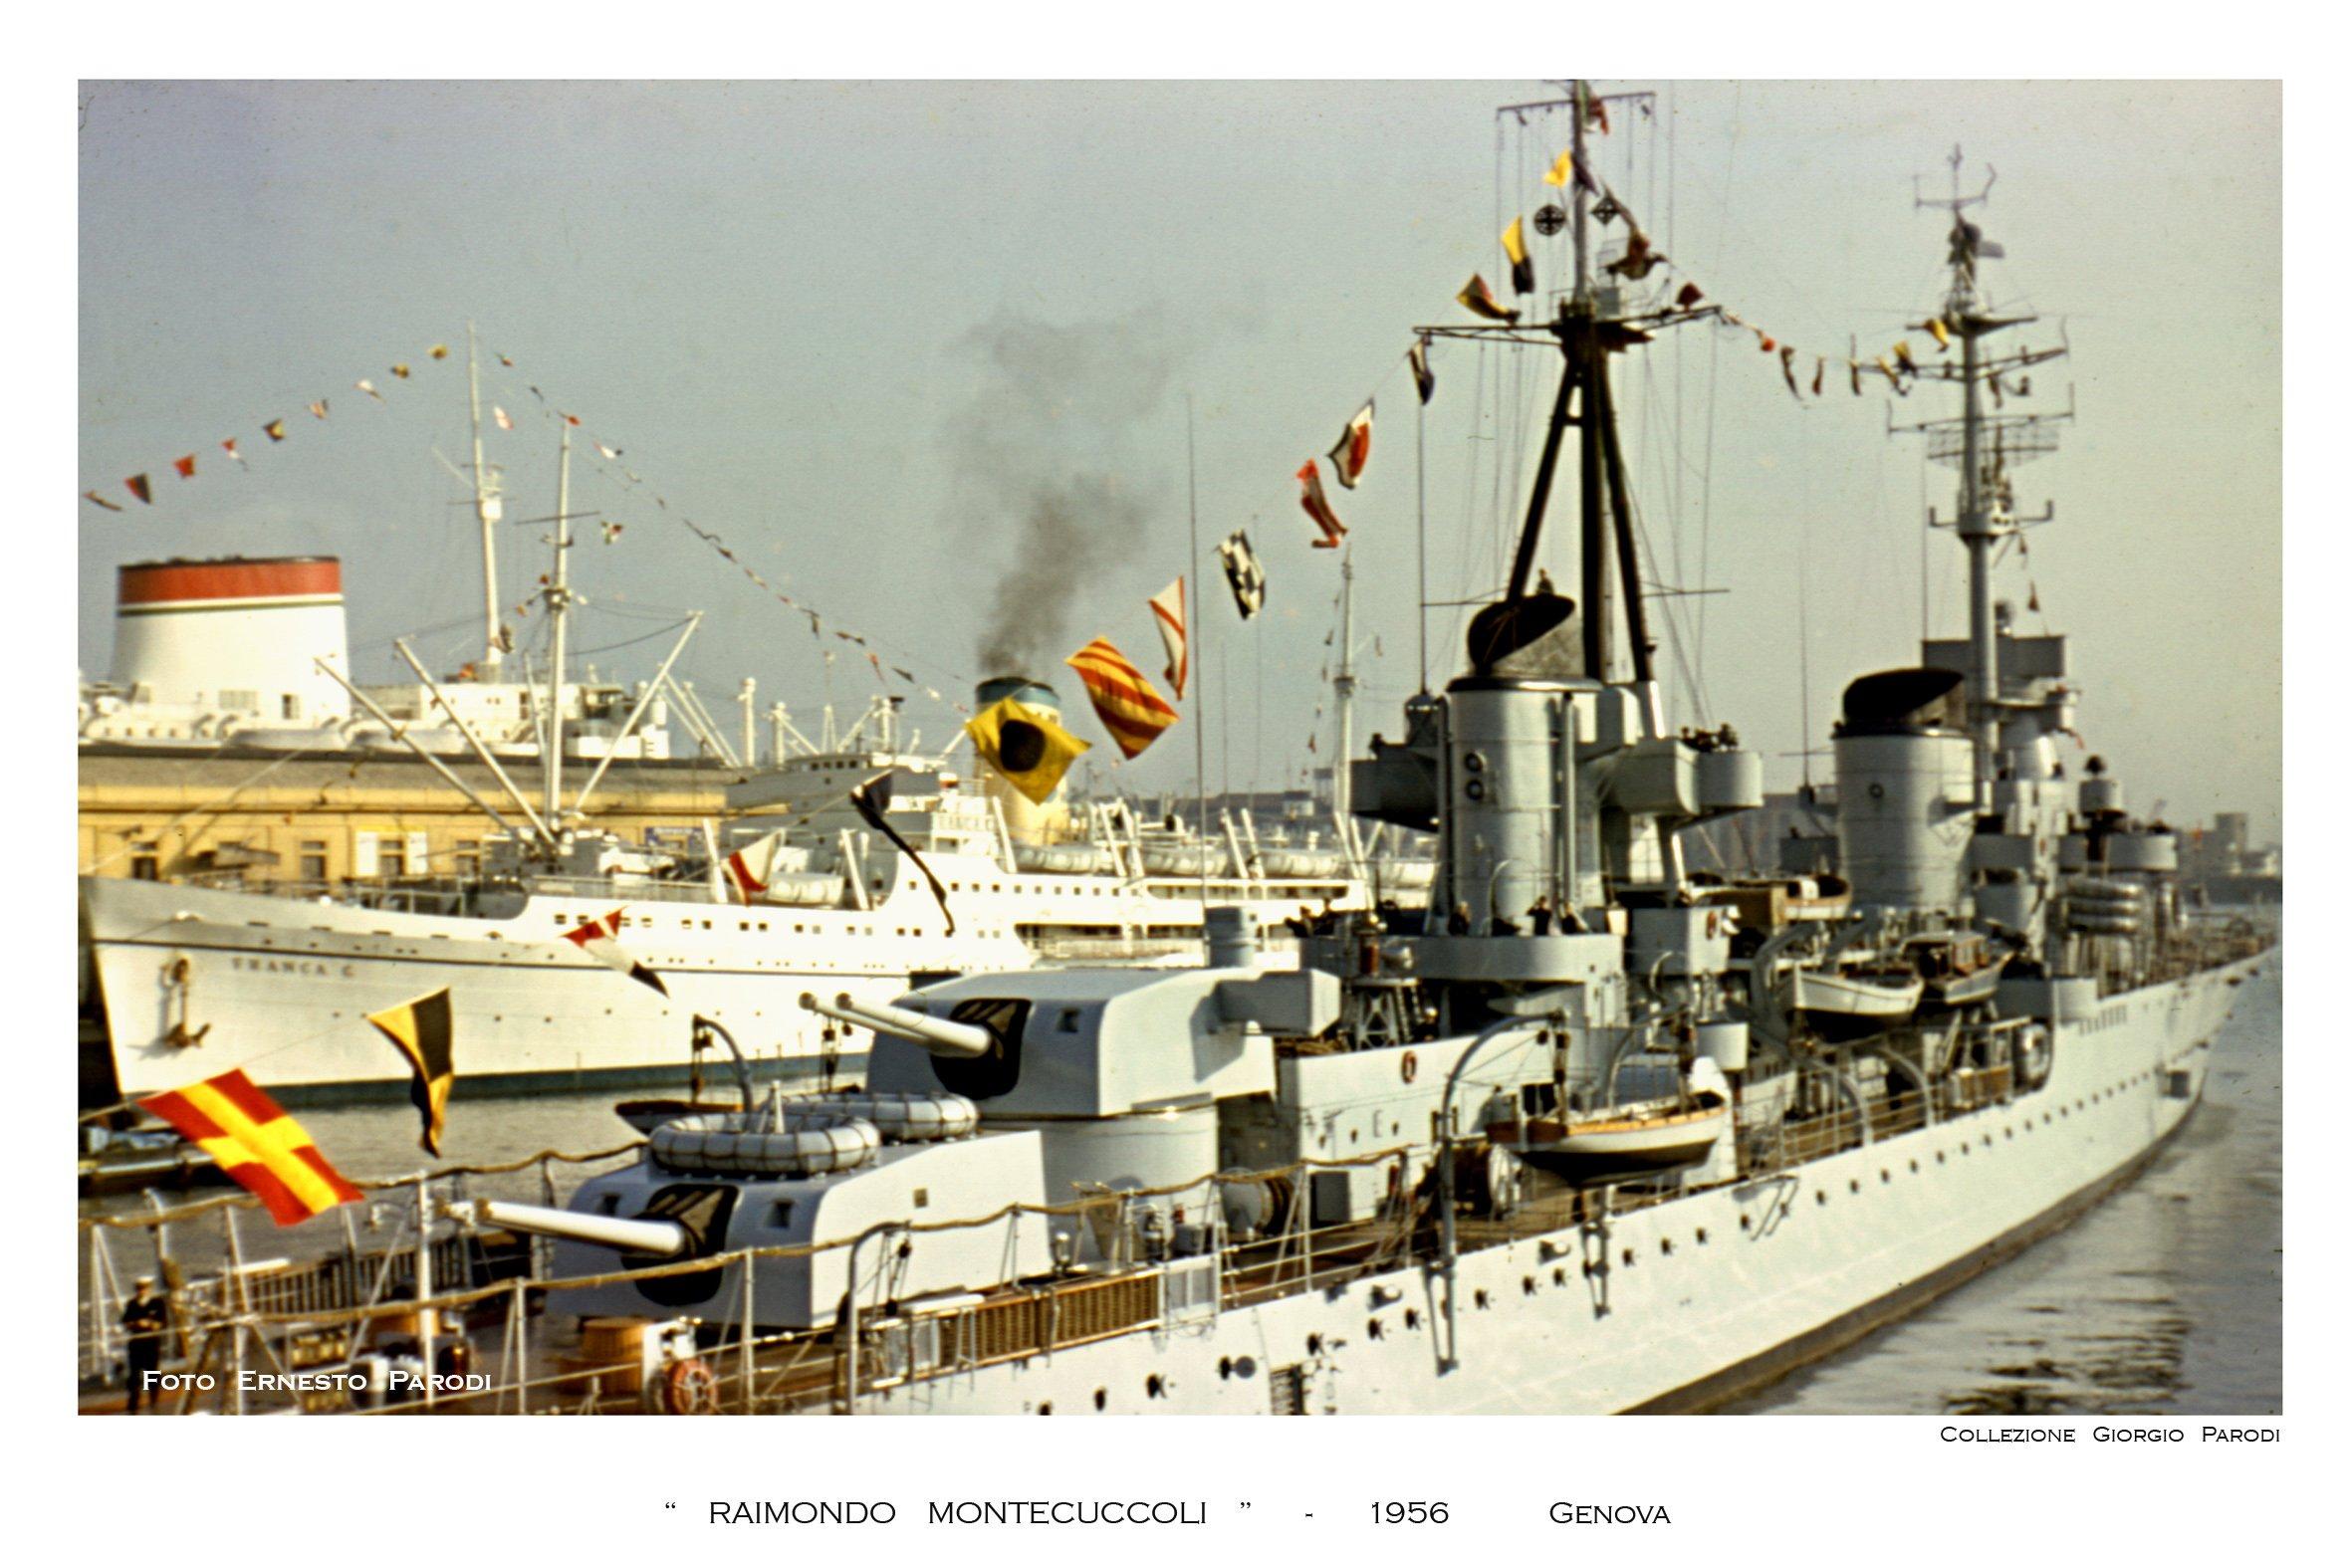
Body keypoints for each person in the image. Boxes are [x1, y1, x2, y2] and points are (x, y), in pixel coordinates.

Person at [120, 1275, 169, 1415]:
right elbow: (126, 1322)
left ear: (149, 1289)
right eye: (139, 1288)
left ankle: (153, 1400)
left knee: (152, 1372)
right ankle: (133, 1402)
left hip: (151, 1342)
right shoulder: (132, 1304)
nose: (142, 1291)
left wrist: (151, 1324)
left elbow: (162, 1323)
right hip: (136, 1343)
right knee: (134, 1374)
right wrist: (136, 1323)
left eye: (144, 1288)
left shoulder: (157, 1303)